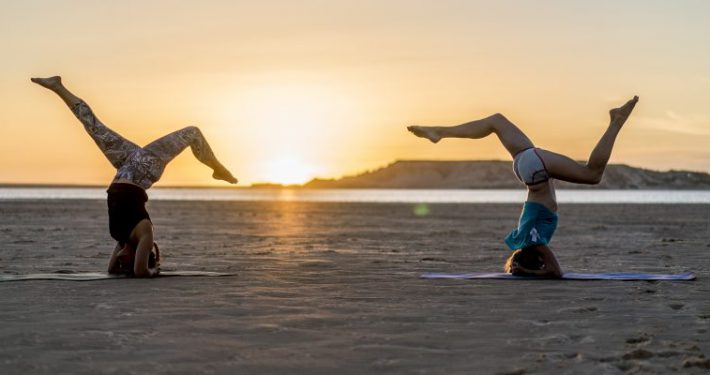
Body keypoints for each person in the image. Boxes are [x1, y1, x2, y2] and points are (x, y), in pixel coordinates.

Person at [408, 96, 639, 278]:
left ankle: (616, 122)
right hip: (527, 167)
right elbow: (548, 269)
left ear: (536, 258)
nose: (545, 258)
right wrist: (522, 268)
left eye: (541, 260)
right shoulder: (523, 237)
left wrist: (529, 272)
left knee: (592, 174)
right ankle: (441, 132)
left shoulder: (533, 240)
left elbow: (555, 273)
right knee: (496, 121)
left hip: (534, 169)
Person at [31, 76, 238, 277]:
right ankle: (219, 169)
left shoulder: (122, 239)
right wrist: (153, 269)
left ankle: (58, 87)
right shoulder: (145, 233)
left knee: (94, 127)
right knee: (192, 132)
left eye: (119, 259)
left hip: (126, 168)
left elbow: (111, 270)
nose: (119, 258)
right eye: (124, 261)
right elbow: (140, 272)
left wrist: (122, 265)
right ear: (140, 254)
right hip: (143, 170)